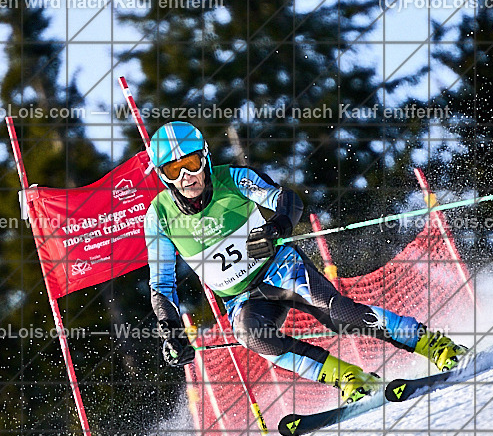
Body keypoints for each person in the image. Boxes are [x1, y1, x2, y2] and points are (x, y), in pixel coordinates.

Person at [143, 121, 468, 404]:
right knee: (253, 335)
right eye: (174, 170)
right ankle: (350, 378)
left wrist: (276, 227)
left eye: (191, 163)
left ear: (205, 158)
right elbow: (162, 285)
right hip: (242, 297)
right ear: (163, 176)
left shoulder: (234, 179)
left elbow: (286, 199)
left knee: (339, 315)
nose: (187, 177)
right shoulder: (158, 217)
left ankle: (431, 343)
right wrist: (172, 333)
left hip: (280, 269)